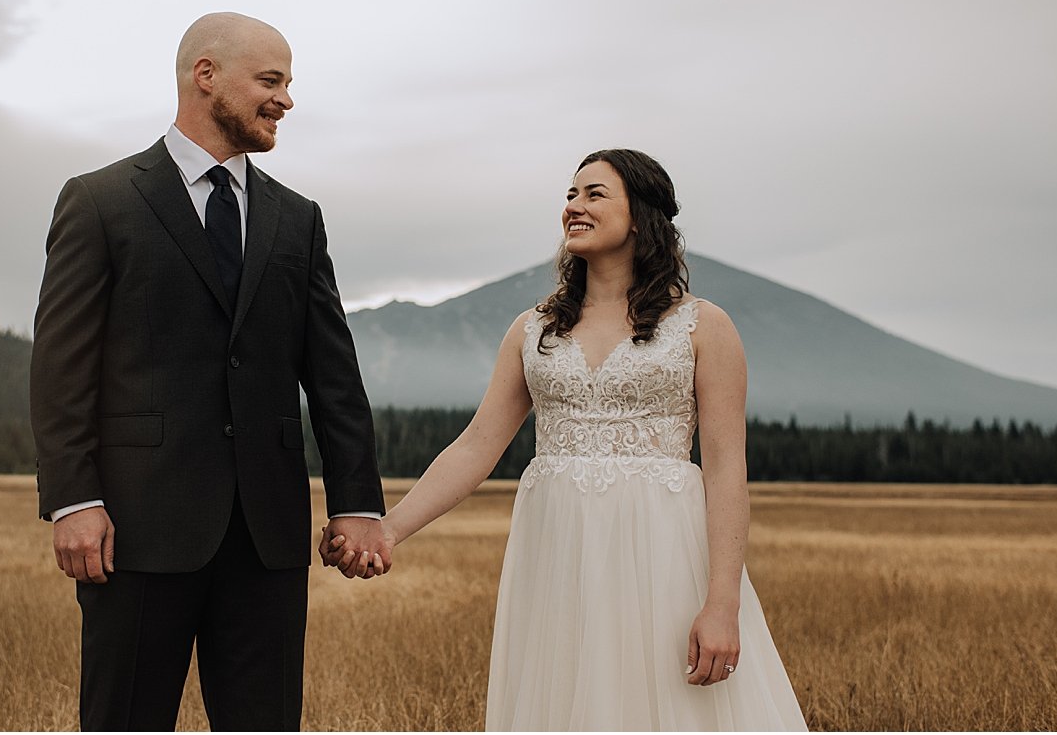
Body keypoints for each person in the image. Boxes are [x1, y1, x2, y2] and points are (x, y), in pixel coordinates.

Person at [324, 148, 807, 731]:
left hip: (664, 557)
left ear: (643, 214)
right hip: (556, 554)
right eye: (570, 195)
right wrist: (391, 528)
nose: (574, 207)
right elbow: (478, 445)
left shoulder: (705, 326)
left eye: (594, 194)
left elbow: (727, 470)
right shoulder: (533, 330)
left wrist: (723, 602)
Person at [31, 11, 390, 732]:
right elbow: (59, 367)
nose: (286, 99)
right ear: (206, 76)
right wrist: (73, 499)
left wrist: (359, 502)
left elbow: (334, 373)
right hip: (134, 532)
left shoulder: (298, 218)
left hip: (267, 541)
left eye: (288, 83)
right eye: (271, 79)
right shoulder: (100, 201)